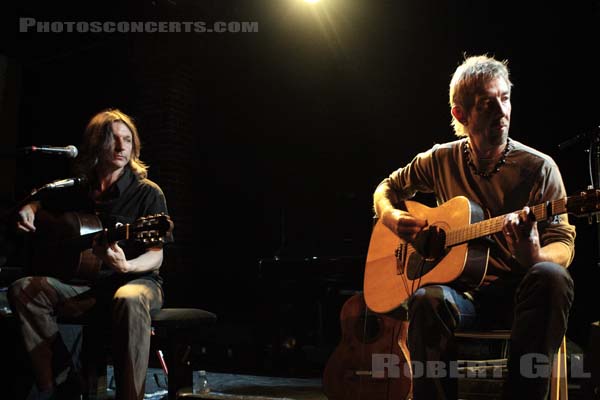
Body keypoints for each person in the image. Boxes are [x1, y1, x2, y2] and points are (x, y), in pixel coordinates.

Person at [373, 55, 575, 399]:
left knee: (552, 279)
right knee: (426, 300)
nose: (502, 111)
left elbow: (564, 244)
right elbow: (386, 189)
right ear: (460, 114)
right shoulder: (440, 160)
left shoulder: (540, 168)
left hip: (520, 297)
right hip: (462, 297)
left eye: (505, 98)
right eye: (487, 104)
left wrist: (534, 253)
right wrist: (393, 218)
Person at [9, 108, 171, 400]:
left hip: (138, 283)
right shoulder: (79, 188)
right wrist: (31, 208)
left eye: (128, 140)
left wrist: (126, 265)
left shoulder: (148, 192)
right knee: (24, 289)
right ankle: (63, 385)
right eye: (113, 139)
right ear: (97, 144)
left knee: (128, 298)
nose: (122, 147)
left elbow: (155, 256)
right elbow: (45, 199)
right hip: (86, 287)